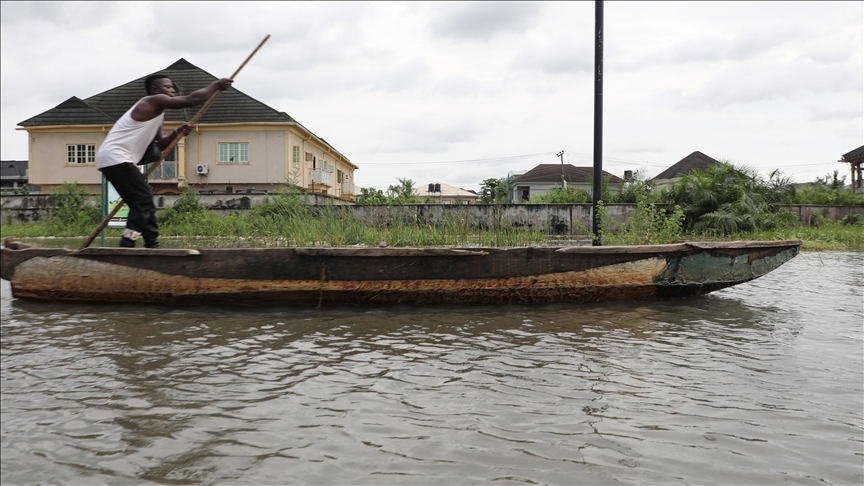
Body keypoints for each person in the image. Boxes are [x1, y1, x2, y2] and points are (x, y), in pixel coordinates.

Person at [96, 74, 233, 248]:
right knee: (143, 201)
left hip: (116, 159)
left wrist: (177, 133)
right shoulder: (151, 101)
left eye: (172, 87)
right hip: (116, 157)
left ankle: (152, 244)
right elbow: (192, 100)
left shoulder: (156, 115)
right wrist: (215, 85)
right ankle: (127, 244)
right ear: (156, 90)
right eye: (168, 87)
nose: (173, 90)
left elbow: (158, 145)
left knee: (145, 204)